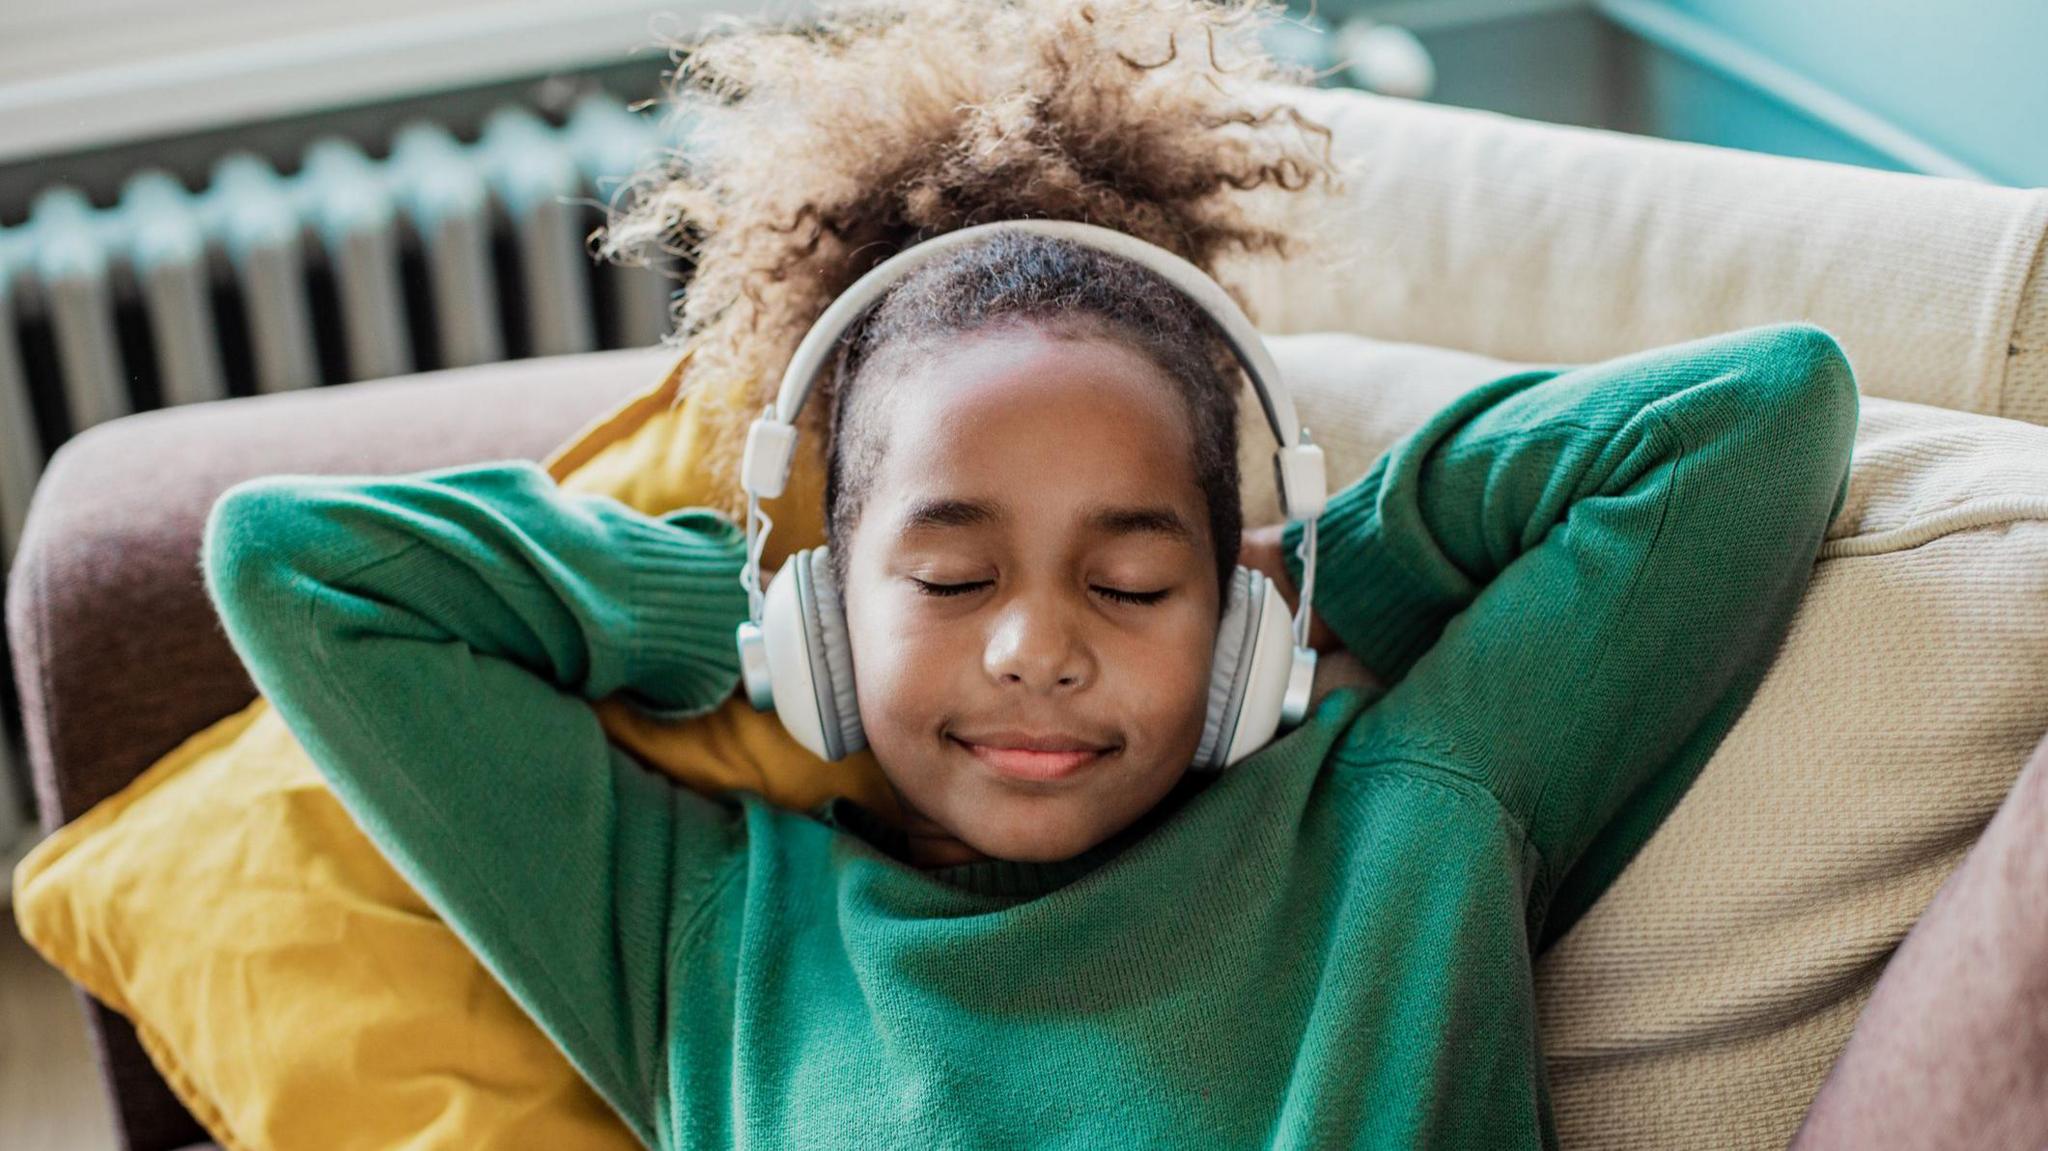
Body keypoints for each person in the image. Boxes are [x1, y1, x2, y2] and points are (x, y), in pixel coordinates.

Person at [200, 1, 1864, 1146]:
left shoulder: (1416, 803)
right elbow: (298, 568)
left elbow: (1762, 414)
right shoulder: (701, 934)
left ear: (1235, 620)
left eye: (1134, 588)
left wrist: (1319, 588)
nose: (1033, 650)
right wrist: (764, 616)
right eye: (944, 577)